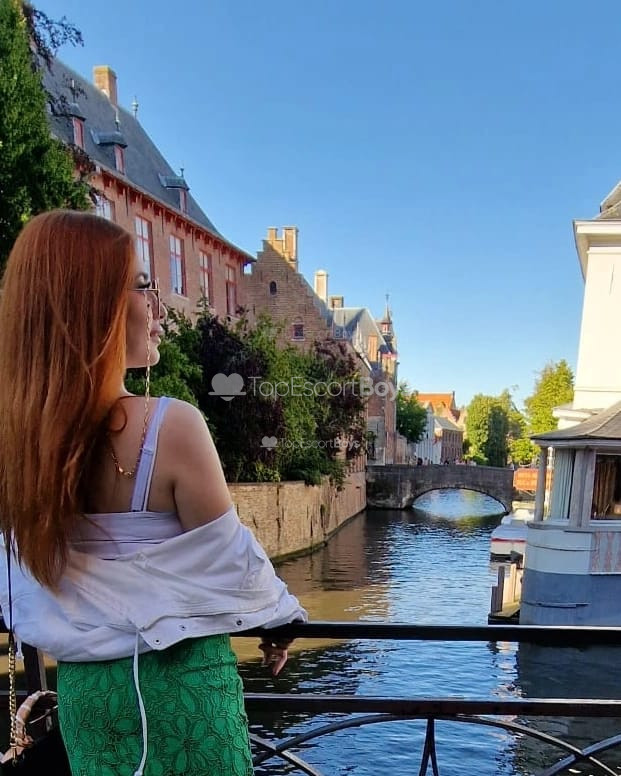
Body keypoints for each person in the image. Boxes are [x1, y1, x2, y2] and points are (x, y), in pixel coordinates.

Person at [0, 210, 307, 776]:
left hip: (90, 700)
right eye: (144, 285)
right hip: (180, 695)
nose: (158, 305)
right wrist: (280, 619)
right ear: (97, 307)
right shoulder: (171, 427)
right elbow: (234, 564)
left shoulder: (19, 451)